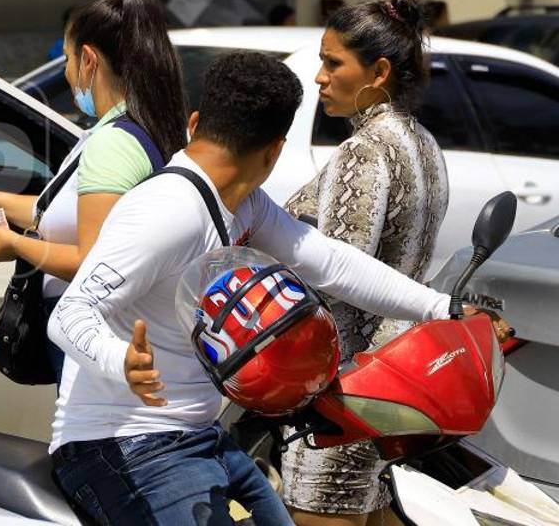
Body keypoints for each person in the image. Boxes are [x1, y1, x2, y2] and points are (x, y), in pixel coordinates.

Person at [46, 52, 463, 525]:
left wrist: (443, 307)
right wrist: (118, 359)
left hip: (196, 434)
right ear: (276, 150)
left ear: (195, 122)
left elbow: (328, 261)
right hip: (124, 444)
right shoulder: (168, 212)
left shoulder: (245, 204)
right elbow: (69, 312)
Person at [0, 0, 188, 382]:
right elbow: (58, 210)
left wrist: (16, 245)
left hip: (96, 332)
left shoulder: (114, 146)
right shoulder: (129, 130)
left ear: (89, 60)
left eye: (69, 60)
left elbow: (95, 264)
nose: (68, 73)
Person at [279, 0, 447, 526]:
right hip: (397, 382)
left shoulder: (366, 149)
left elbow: (340, 270)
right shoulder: (423, 143)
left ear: (377, 71)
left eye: (333, 63)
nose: (319, 78)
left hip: (345, 391)